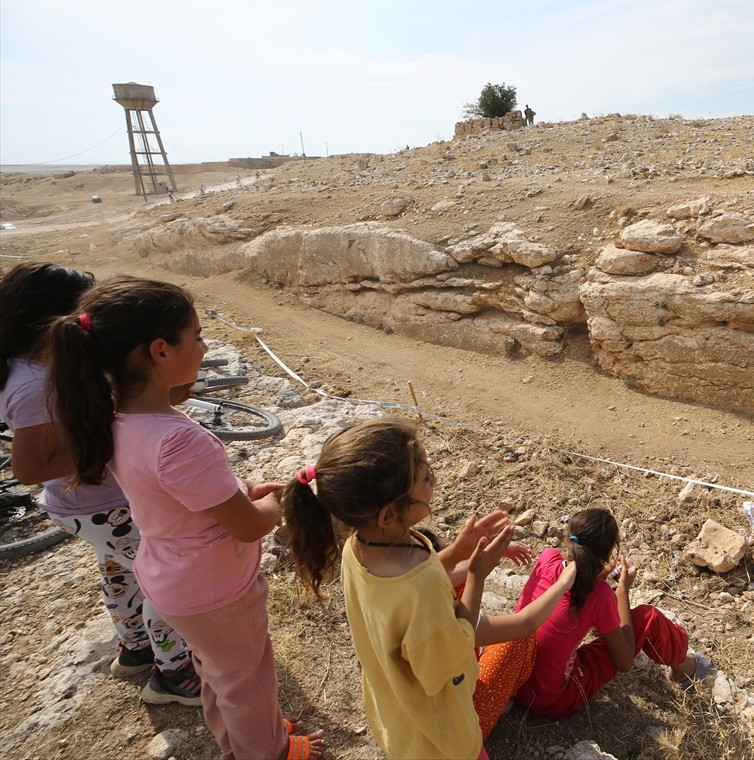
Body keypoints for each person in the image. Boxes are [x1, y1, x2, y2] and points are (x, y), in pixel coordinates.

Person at [46, 276, 324, 760]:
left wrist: (240, 492)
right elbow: (248, 526)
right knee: (248, 681)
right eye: (195, 335)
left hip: (173, 580)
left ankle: (241, 741)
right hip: (215, 590)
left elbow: (179, 499)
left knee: (218, 673)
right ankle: (270, 751)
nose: (204, 343)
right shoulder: (180, 439)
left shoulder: (120, 420)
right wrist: (282, 502)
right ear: (160, 351)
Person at [283, 419, 578, 758]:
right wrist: (480, 576)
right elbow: (461, 649)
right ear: (388, 515)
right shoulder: (420, 591)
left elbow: (414, 582)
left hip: (398, 718)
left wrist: (456, 552)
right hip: (441, 741)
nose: (433, 478)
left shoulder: (359, 547)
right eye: (424, 477)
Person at [0, 262, 199, 707]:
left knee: (120, 572)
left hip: (87, 508)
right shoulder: (35, 384)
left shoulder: (39, 368)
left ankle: (135, 647)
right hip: (104, 505)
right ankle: (175, 673)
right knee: (163, 580)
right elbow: (31, 467)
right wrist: (124, 429)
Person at [513, 507, 714, 719]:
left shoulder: (547, 559)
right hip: (551, 699)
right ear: (609, 553)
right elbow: (624, 662)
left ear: (567, 538)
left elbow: (568, 593)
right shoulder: (599, 594)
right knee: (648, 618)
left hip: (516, 681)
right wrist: (622, 590)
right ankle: (684, 667)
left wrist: (598, 575)